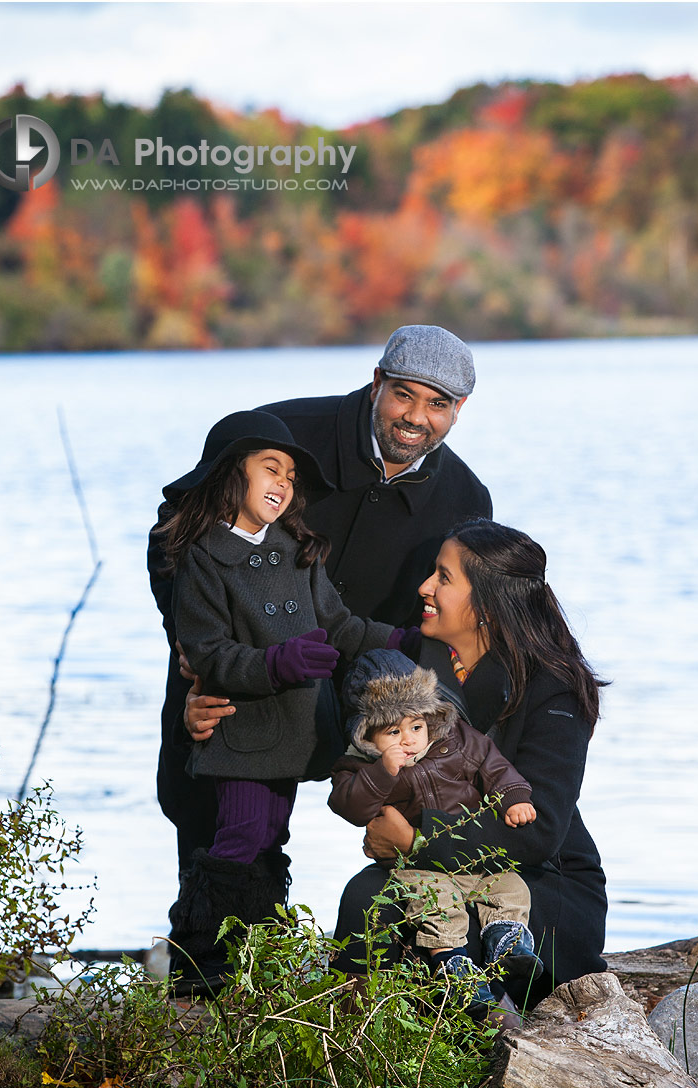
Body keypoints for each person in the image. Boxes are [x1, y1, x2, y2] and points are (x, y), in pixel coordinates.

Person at [148, 324, 492, 883]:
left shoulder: (467, 499)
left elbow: (447, 615)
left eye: (438, 404)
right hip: (239, 674)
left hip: (366, 678)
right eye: (403, 393)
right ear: (377, 380)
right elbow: (172, 538)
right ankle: (211, 966)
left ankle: (418, 952)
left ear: (460, 409)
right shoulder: (277, 438)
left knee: (436, 786)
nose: (415, 416)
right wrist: (191, 648)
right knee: (221, 834)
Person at [157, 411, 396, 994]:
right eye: (270, 468)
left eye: (290, 475)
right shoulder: (202, 556)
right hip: (241, 731)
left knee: (271, 836)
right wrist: (276, 664)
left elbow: (336, 624)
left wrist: (404, 640)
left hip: (293, 731)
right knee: (237, 837)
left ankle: (255, 959)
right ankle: (202, 968)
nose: (284, 483)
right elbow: (206, 650)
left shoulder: (294, 545)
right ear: (227, 476)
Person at [329, 519, 609, 1008]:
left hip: (541, 878)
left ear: (486, 604)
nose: (425, 587)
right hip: (438, 872)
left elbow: (537, 831)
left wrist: (415, 840)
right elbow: (341, 696)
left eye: (443, 577)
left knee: (453, 934)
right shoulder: (416, 666)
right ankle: (357, 1057)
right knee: (364, 898)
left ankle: (491, 1061)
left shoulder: (553, 689)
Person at [328, 649, 544, 1023]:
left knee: (511, 886)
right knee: (436, 903)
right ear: (367, 734)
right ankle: (450, 961)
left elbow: (495, 767)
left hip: (472, 859)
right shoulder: (360, 766)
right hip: (417, 867)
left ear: (429, 717)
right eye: (392, 732)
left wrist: (514, 798)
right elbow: (349, 806)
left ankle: (506, 939)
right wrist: (382, 772)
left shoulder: (457, 740)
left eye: (415, 726)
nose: (408, 740)